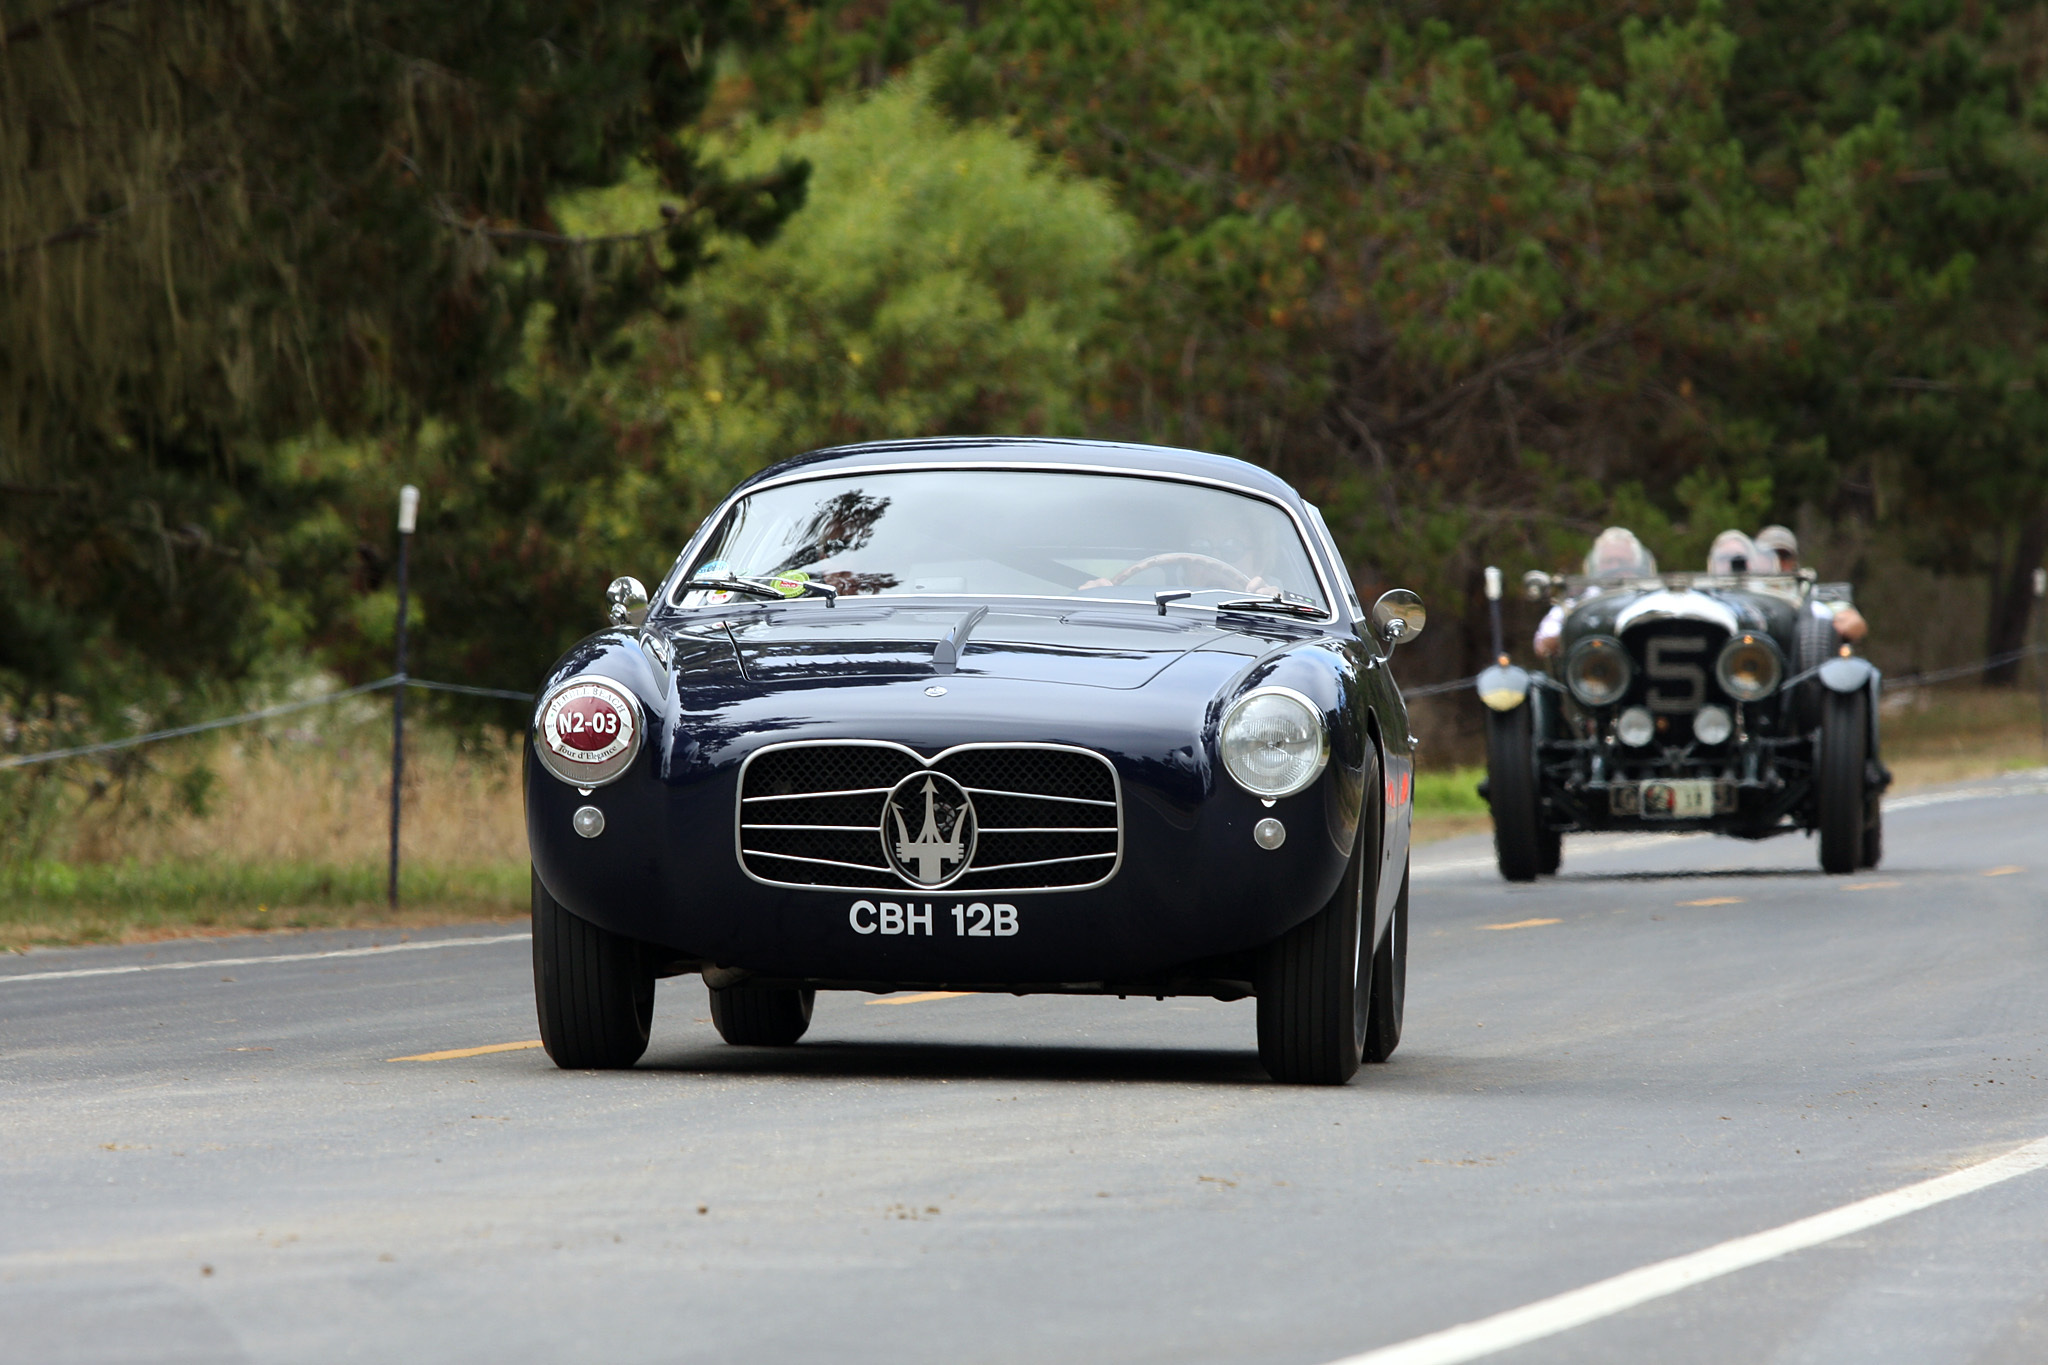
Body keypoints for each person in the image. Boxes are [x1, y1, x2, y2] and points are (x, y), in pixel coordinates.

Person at [1534, 527, 1657, 658]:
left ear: (1636, 565)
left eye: (1622, 562)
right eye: (1608, 562)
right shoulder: (1576, 603)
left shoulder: (1652, 601)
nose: (1615, 568)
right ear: (1597, 565)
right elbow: (1542, 644)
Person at [1754, 524, 1867, 643]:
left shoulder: (1808, 592)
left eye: (1783, 556)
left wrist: (1842, 625)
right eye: (1769, 555)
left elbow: (1856, 624)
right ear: (1756, 558)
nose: (1777, 561)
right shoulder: (1745, 590)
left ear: (1794, 561)